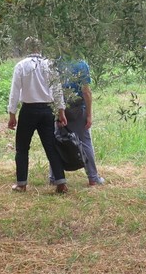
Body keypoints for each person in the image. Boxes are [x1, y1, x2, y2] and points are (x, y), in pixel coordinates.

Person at [7, 37, 69, 193]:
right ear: (40, 48)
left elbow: (15, 92)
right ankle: (61, 183)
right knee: (51, 146)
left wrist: (12, 114)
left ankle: (21, 183)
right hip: (47, 110)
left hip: (28, 110)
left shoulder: (21, 66)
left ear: (26, 48)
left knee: (22, 148)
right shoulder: (49, 65)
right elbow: (57, 89)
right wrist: (61, 111)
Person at [57, 58, 105, 187]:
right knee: (85, 141)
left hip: (59, 107)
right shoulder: (81, 64)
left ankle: (55, 177)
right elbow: (86, 91)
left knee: (57, 141)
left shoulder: (55, 63)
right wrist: (89, 114)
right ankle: (93, 178)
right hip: (77, 108)